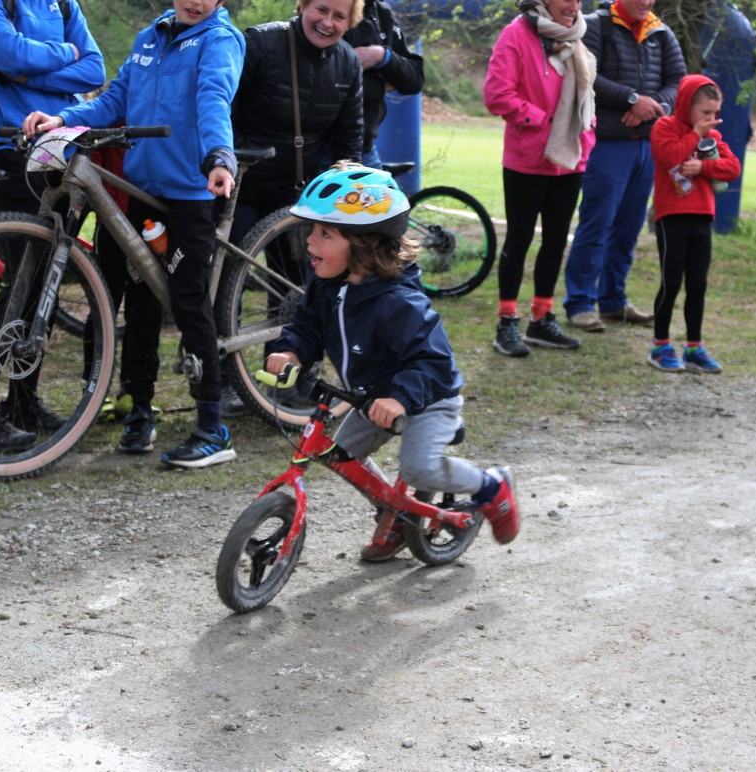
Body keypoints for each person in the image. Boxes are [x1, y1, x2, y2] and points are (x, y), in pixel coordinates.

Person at [24, 0, 246, 468]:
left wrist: (219, 155)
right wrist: (64, 119)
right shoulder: (151, 37)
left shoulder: (220, 39)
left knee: (187, 298)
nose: (195, 1)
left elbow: (214, 98)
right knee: (142, 297)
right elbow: (116, 99)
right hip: (145, 193)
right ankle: (139, 410)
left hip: (193, 192)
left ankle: (213, 427)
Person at [264, 163, 521, 560]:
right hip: (372, 395)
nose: (310, 240)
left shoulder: (399, 302)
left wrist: (400, 398)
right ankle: (395, 513)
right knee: (340, 454)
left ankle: (491, 486)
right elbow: (307, 326)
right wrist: (291, 351)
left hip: (428, 396)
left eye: (325, 233)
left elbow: (433, 361)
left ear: (364, 243)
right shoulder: (326, 285)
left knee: (420, 469)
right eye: (312, 230)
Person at [225, 0, 365, 415]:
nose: (328, 22)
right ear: (302, 5)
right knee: (226, 286)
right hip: (241, 186)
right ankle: (222, 379)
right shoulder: (261, 43)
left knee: (295, 291)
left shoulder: (348, 63)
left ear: (350, 22)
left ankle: (285, 377)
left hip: (297, 195)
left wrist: (347, 197)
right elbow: (221, 104)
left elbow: (349, 139)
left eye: (339, 16)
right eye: (321, 9)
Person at [0, 0, 105, 450]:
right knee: (18, 287)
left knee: (46, 286)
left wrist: (24, 75)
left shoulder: (64, 3)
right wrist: (64, 54)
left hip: (58, 153)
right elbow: (6, 53)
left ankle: (22, 403)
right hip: (8, 151)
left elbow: (94, 70)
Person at [561, 0, 685, 333]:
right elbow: (587, 74)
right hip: (606, 144)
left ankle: (614, 300)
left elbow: (678, 82)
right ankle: (580, 303)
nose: (646, 2)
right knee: (597, 224)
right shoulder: (594, 25)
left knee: (629, 228)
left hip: (647, 144)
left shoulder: (662, 33)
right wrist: (632, 99)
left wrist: (653, 106)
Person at [484, 0, 596, 357]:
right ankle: (507, 322)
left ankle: (541, 318)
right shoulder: (515, 34)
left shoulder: (576, 35)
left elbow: (586, 95)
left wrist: (586, 131)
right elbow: (497, 95)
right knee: (518, 240)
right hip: (527, 159)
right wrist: (542, 122)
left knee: (556, 241)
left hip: (570, 158)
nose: (574, 6)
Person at [647, 74, 741, 374]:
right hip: (671, 216)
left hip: (702, 215)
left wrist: (703, 166)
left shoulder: (713, 136)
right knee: (671, 281)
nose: (711, 119)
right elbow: (670, 157)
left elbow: (732, 167)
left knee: (697, 284)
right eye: (705, 112)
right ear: (687, 105)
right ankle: (660, 346)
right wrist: (694, 135)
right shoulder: (665, 127)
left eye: (716, 113)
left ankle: (694, 348)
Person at [342, 0, 423, 169]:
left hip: (366, 149)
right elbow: (331, 83)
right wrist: (382, 82)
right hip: (325, 149)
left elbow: (414, 80)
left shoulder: (381, 12)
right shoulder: (335, 9)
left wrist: (382, 57)